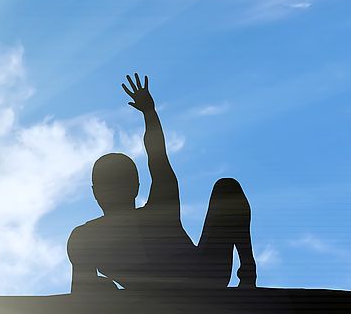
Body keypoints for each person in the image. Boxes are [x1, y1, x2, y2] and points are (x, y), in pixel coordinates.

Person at [67, 74, 257, 293]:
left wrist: (150, 113)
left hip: (203, 275)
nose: (114, 190)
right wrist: (149, 113)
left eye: (117, 183)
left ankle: (248, 272)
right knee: (226, 188)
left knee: (227, 189)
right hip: (184, 283)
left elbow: (157, 156)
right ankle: (247, 271)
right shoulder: (86, 238)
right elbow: (80, 294)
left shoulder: (155, 211)